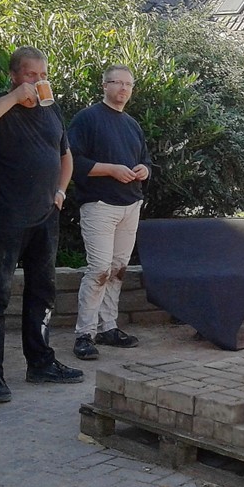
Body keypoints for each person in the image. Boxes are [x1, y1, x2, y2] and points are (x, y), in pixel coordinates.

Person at [0, 46, 84, 404]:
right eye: (31, 74)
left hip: (46, 215)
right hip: (6, 217)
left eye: (43, 74)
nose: (38, 81)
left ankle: (41, 362)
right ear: (14, 75)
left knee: (42, 291)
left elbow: (66, 155)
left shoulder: (52, 110)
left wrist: (60, 192)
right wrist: (13, 98)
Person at [67, 65, 151, 361]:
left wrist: (145, 170)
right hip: (99, 205)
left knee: (118, 269)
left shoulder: (132, 124)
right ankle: (84, 334)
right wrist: (111, 170)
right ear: (104, 86)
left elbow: (145, 159)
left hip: (131, 204)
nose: (124, 89)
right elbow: (72, 161)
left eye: (129, 84)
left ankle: (108, 327)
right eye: (118, 82)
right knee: (99, 269)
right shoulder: (87, 119)